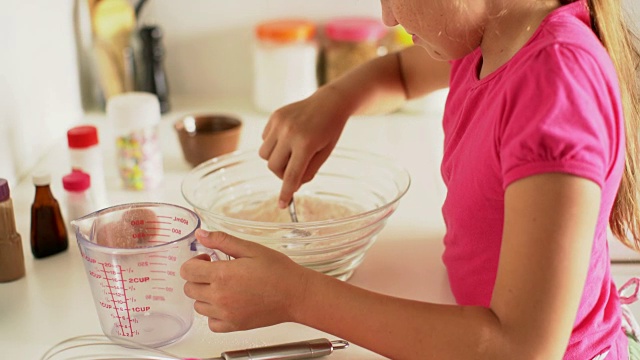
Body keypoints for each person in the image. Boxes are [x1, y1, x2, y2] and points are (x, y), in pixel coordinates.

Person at [181, 0, 640, 358]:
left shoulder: (554, 87)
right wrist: (336, 99)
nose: (387, 18)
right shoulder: (493, 34)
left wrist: (296, 296)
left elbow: (519, 347)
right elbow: (401, 73)